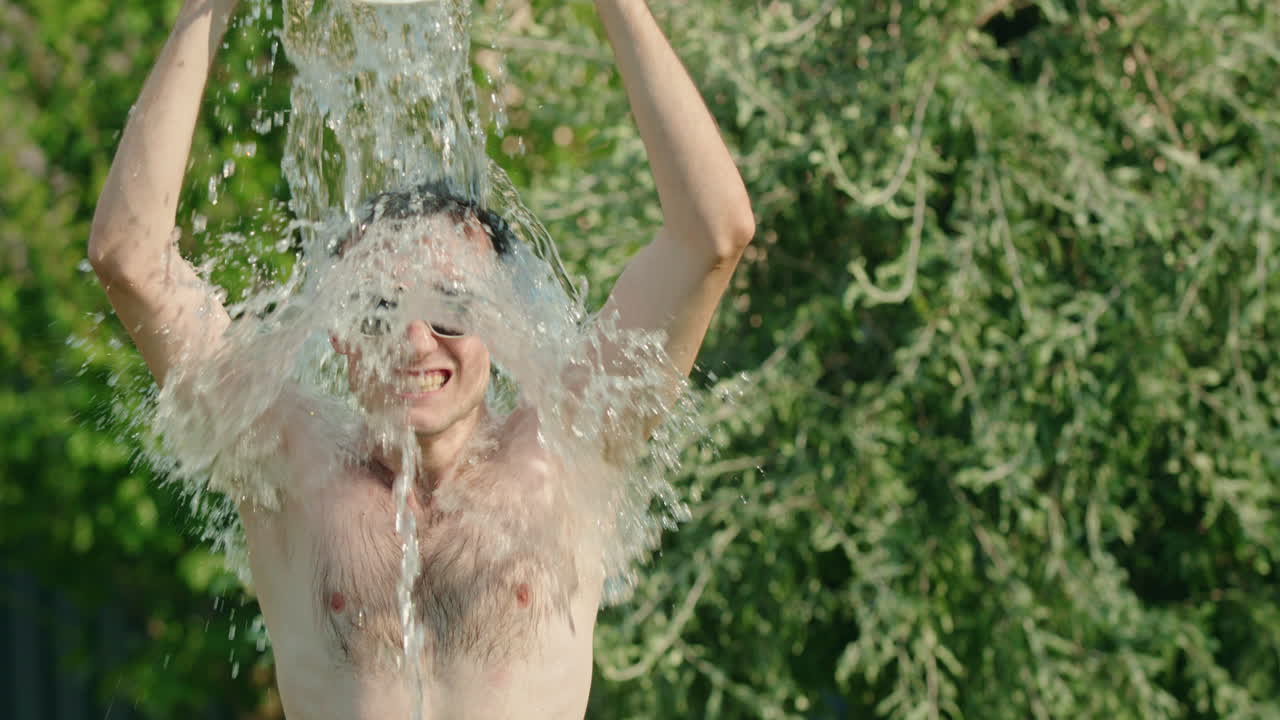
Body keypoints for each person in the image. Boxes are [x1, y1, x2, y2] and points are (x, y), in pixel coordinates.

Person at [88, 0, 754, 717]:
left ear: (501, 323)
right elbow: (130, 261)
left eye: (451, 308)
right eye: (377, 311)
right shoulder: (285, 464)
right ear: (336, 330)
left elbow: (713, 235)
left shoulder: (571, 448)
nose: (413, 342)